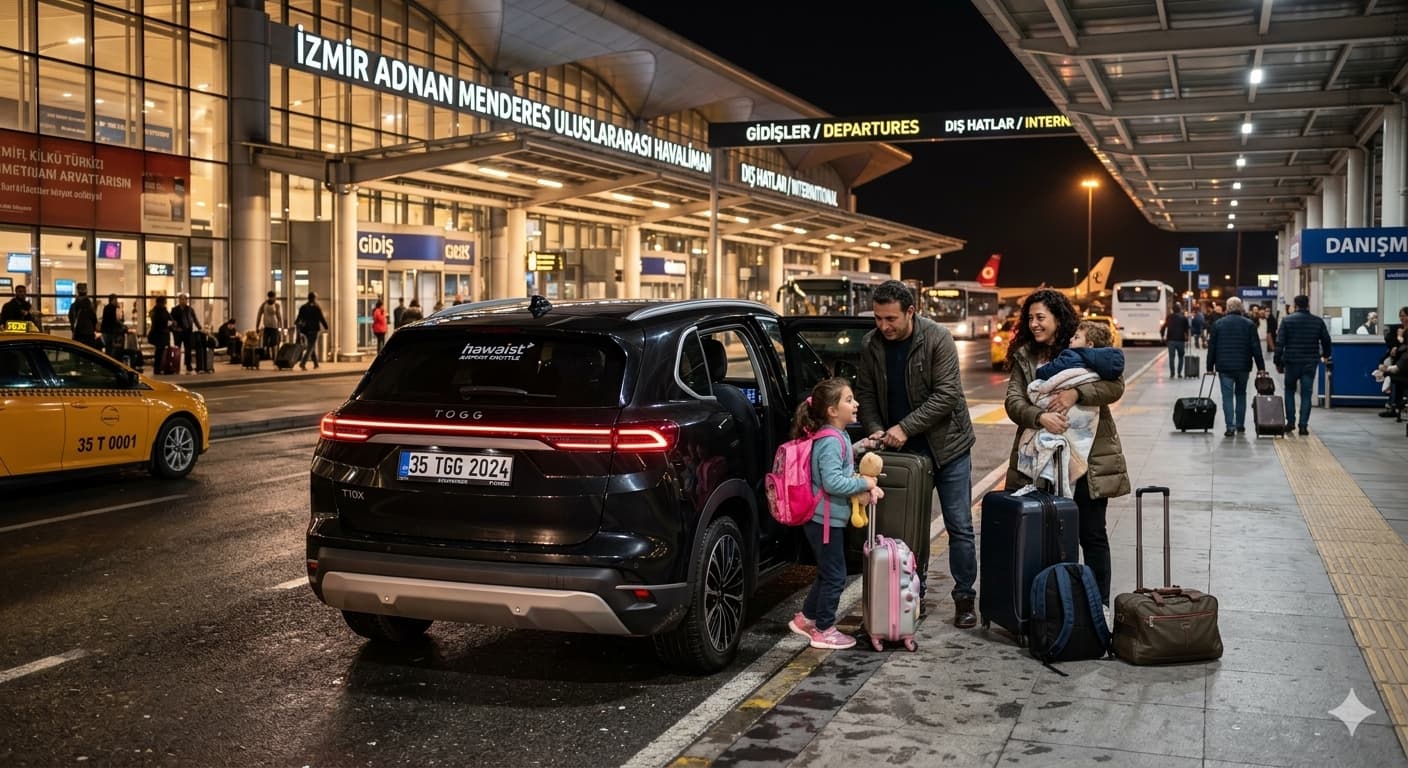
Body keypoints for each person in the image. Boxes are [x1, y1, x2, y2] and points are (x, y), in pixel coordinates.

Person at [854, 280, 977, 628]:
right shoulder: (871, 344)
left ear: (911, 311)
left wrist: (905, 427)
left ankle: (965, 598)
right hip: (902, 455)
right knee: (905, 531)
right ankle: (910, 596)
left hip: (947, 449)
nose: (884, 326)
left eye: (891, 318)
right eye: (878, 318)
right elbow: (865, 393)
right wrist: (876, 429)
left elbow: (947, 394)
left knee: (959, 527)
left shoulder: (937, 337)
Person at [1004, 289, 1130, 613]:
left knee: (1092, 534)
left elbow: (1115, 386)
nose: (1033, 324)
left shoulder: (1083, 344)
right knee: (1048, 535)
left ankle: (1098, 607)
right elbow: (1014, 400)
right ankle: (1052, 606)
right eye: (1029, 318)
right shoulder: (1025, 356)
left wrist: (1076, 393)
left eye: (1040, 317)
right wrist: (1039, 415)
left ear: (1058, 319)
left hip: (1089, 457)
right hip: (1040, 460)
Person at [785, 377, 881, 651]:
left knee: (828, 572)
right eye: (849, 400)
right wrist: (865, 483)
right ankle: (824, 629)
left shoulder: (836, 435)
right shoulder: (830, 440)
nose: (856, 404)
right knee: (836, 575)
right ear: (832, 410)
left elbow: (840, 459)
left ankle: (806, 618)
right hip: (823, 520)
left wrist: (861, 447)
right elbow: (832, 482)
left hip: (824, 518)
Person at [1274, 294, 1333, 436]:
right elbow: (1326, 340)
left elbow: (1280, 342)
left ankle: (1290, 422)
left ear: (1295, 305)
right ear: (1308, 305)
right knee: (1306, 394)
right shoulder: (1317, 321)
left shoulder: (1287, 320)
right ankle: (1303, 426)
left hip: (1291, 362)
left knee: (1289, 391)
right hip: (1310, 363)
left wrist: (1278, 361)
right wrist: (1325, 355)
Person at [1207, 296, 1266, 437]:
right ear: (1241, 308)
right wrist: (1261, 367)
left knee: (1227, 396)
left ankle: (1230, 427)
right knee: (1241, 394)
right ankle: (1240, 425)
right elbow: (1255, 347)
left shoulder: (1218, 324)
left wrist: (1209, 367)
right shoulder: (1249, 324)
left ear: (1227, 308)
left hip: (1224, 366)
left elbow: (1212, 347)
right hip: (1243, 366)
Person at [294, 292, 329, 370]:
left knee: (311, 346)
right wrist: (326, 327)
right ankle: (303, 363)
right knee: (310, 347)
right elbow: (321, 318)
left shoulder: (303, 307)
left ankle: (316, 364)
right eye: (316, 298)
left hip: (306, 330)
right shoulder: (317, 307)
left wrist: (298, 326)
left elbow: (298, 318)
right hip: (314, 329)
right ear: (314, 298)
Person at [169, 292, 201, 372]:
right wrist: (175, 329)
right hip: (178, 332)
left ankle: (188, 364)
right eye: (181, 299)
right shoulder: (174, 310)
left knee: (188, 349)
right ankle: (177, 365)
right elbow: (171, 321)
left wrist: (200, 328)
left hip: (188, 332)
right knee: (177, 349)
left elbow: (195, 319)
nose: (183, 301)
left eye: (184, 299)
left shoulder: (190, 309)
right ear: (179, 300)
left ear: (186, 300)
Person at [1162, 303, 1190, 378]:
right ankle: (1179, 373)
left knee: (1171, 357)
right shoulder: (1183, 318)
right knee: (1181, 357)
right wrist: (1187, 338)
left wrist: (1162, 336)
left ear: (1172, 310)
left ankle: (1172, 373)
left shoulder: (1169, 317)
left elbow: (1164, 326)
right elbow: (1187, 329)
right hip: (1181, 340)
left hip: (1171, 340)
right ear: (1180, 309)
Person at [148, 296, 172, 373]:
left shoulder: (155, 310)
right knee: (160, 352)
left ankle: (159, 368)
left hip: (159, 334)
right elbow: (167, 320)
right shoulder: (161, 311)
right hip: (161, 334)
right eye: (165, 301)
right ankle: (160, 368)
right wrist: (170, 324)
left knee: (159, 352)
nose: (166, 303)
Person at [257, 290, 283, 359]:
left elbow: (279, 317)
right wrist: (257, 326)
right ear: (270, 297)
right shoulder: (264, 305)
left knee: (274, 343)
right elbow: (259, 316)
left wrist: (280, 328)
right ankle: (268, 356)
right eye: (274, 297)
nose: (274, 299)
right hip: (267, 327)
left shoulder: (276, 305)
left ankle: (274, 357)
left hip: (275, 327)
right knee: (265, 343)